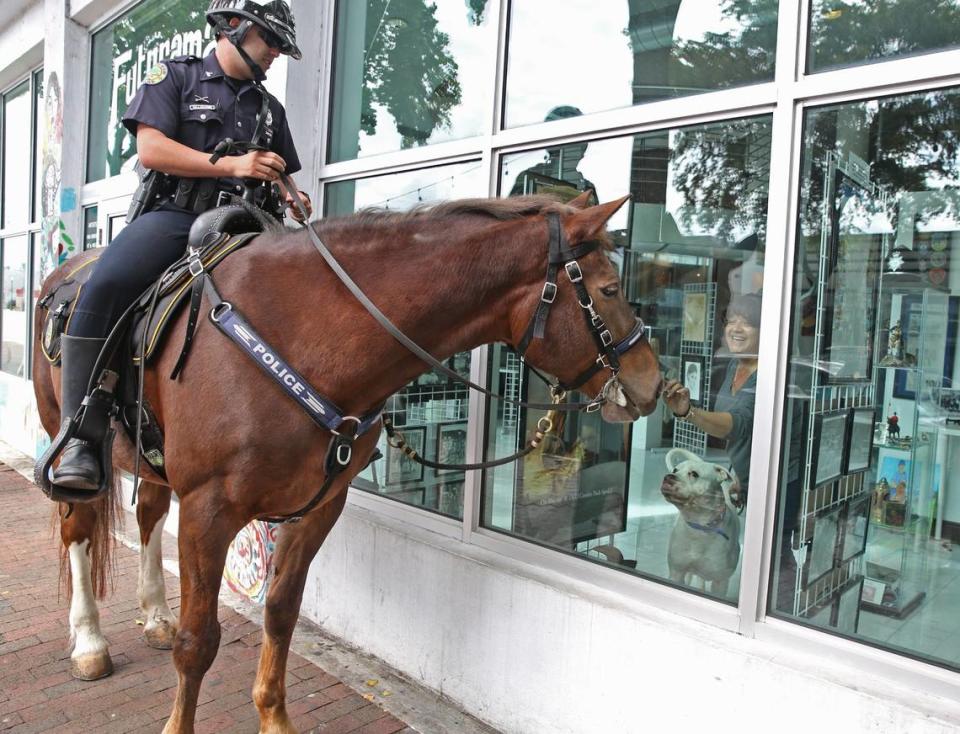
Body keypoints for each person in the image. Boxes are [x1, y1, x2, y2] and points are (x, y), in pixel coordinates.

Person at [52, 0, 312, 491]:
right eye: (271, 41)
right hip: (177, 216)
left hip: (250, 224)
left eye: (281, 45)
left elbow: (285, 176)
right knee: (104, 284)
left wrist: (294, 199)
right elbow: (151, 149)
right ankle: (80, 437)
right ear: (233, 28)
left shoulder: (270, 108)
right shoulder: (176, 77)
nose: (277, 53)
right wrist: (232, 166)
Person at [661, 293, 762, 498]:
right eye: (731, 321)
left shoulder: (766, 375)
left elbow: (738, 424)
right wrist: (738, 476)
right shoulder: (736, 364)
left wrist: (688, 412)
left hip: (772, 484)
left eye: (747, 323)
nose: (736, 328)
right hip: (745, 480)